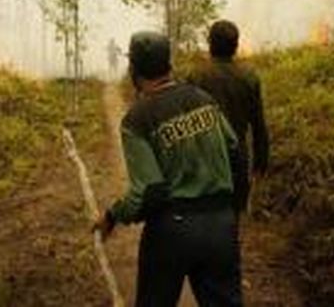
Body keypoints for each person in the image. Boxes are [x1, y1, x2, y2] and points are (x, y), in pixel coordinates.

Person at [94, 31, 244, 307]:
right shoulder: (203, 99)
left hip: (172, 232)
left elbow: (149, 191)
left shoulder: (137, 119)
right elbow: (234, 150)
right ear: (169, 65)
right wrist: (229, 210)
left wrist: (114, 214)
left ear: (134, 70)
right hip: (221, 224)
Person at [188, 20, 270, 213]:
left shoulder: (196, 77)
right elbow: (259, 125)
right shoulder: (249, 78)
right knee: (232, 221)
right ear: (236, 45)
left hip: (203, 162)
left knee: (204, 219)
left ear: (210, 44)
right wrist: (261, 163)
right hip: (237, 161)